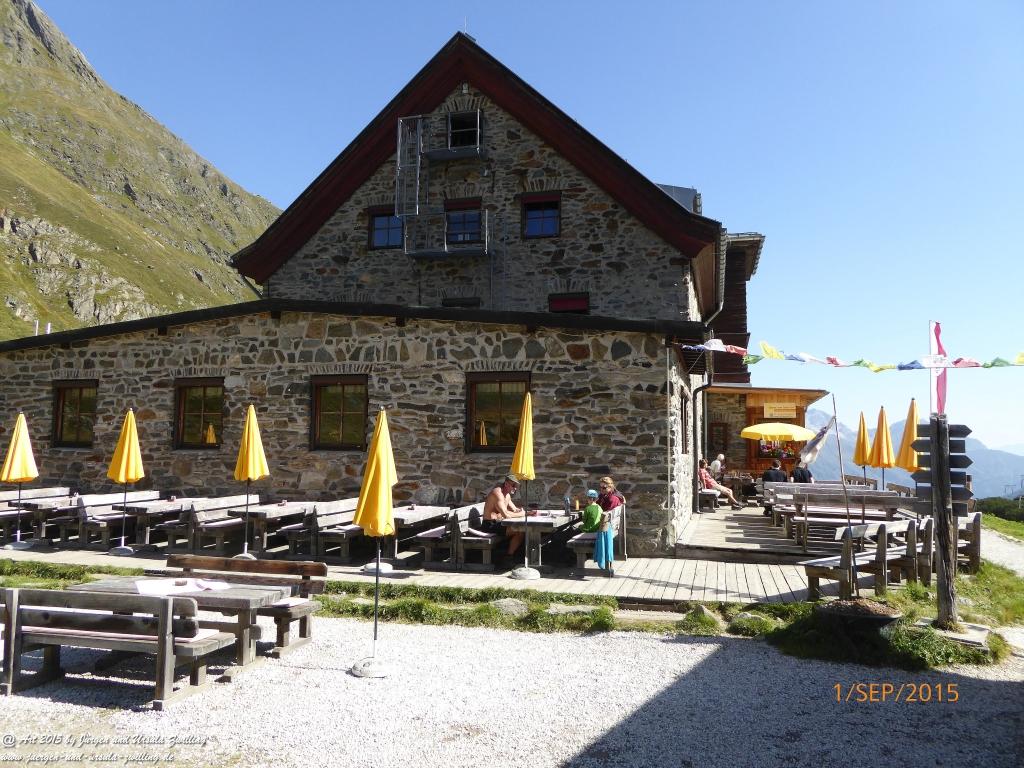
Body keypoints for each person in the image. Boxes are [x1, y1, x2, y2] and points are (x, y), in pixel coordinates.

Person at [482, 473, 526, 561]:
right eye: (513, 485)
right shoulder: (497, 494)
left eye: (516, 486)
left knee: (521, 530)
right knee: (519, 531)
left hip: (498, 524)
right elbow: (506, 515)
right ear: (506, 484)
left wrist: (527, 512)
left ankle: (510, 556)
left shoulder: (507, 495)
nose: (515, 488)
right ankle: (508, 557)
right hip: (490, 525)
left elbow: (515, 510)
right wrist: (523, 514)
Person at [581, 489, 615, 577]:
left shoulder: (587, 508)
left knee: (576, 528)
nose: (587, 500)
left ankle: (578, 561)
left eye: (588, 498)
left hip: (590, 530)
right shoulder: (599, 507)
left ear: (591, 499)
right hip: (598, 529)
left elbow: (584, 521)